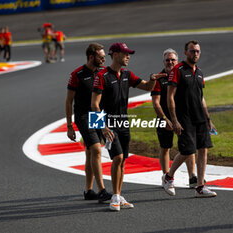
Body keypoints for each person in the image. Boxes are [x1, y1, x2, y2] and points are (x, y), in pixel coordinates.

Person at [91, 42, 166, 211]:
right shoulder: (102, 76)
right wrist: (102, 127)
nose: (128, 56)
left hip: (123, 123)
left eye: (128, 53)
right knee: (117, 157)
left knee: (123, 159)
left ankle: (118, 195)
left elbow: (146, 86)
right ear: (115, 54)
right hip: (108, 124)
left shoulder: (127, 74)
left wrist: (153, 80)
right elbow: (94, 105)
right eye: (125, 53)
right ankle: (114, 197)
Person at [162, 40, 217, 198]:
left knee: (203, 149)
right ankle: (168, 177)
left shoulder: (199, 72)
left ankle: (200, 186)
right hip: (183, 117)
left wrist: (208, 118)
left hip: (199, 117)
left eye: (197, 51)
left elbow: (201, 97)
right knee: (187, 150)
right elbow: (170, 96)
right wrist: (174, 119)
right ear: (185, 53)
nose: (195, 54)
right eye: (192, 51)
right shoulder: (178, 70)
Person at [65, 43, 112, 202]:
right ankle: (103, 191)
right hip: (83, 116)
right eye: (101, 56)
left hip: (98, 115)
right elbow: (68, 101)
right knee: (97, 150)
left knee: (90, 153)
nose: (104, 59)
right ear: (91, 57)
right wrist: (69, 126)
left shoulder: (103, 72)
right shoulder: (77, 74)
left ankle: (88, 190)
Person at [151, 48, 198, 188]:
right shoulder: (158, 78)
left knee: (189, 146)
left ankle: (192, 177)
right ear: (163, 62)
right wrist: (165, 119)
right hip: (164, 118)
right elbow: (156, 103)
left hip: (183, 118)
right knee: (165, 147)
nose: (170, 62)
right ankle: (167, 177)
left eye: (173, 60)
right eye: (167, 60)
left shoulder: (183, 75)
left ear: (177, 61)